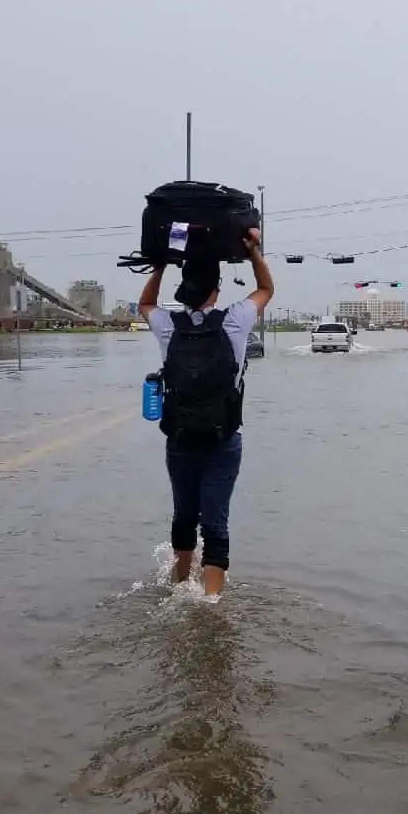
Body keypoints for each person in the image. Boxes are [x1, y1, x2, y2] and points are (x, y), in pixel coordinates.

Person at [139, 228, 273, 599]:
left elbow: (145, 305)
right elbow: (265, 290)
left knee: (184, 514)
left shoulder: (168, 326)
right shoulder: (235, 321)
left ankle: (181, 584)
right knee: (216, 520)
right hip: (224, 440)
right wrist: (254, 254)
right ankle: (211, 603)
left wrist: (160, 267)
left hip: (180, 440)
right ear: (216, 291)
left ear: (184, 291)